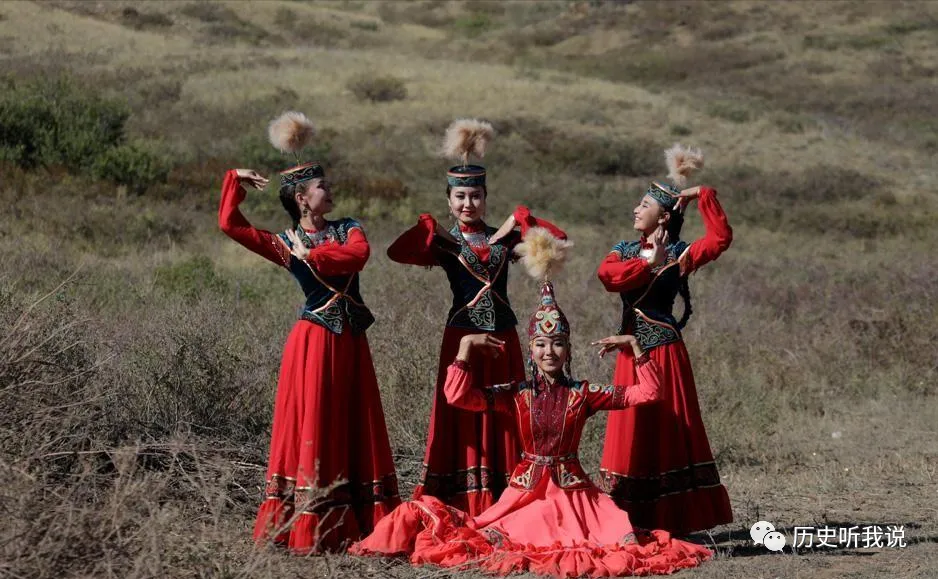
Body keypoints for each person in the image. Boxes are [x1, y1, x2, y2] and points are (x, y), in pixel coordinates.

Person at [351, 228, 711, 578]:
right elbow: (457, 396)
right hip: (525, 497)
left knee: (612, 543)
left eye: (557, 344)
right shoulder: (516, 394)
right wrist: (464, 350)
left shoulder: (583, 393)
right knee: (493, 537)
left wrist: (635, 347)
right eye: (541, 344)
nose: (549, 352)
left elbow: (649, 392)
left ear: (568, 349)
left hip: (577, 497)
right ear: (530, 350)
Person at [219, 111, 399, 553]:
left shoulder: (347, 227)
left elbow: (358, 256)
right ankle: (310, 523)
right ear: (302, 198)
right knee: (316, 420)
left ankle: (360, 517)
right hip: (314, 341)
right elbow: (231, 225)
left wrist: (312, 256)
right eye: (322, 187)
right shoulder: (283, 243)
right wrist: (233, 179)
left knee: (352, 419)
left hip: (351, 341)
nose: (330, 191)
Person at [387, 118, 567, 516]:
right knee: (460, 409)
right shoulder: (445, 243)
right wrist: (428, 228)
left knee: (507, 410)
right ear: (449, 199)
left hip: (503, 338)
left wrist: (523, 221)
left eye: (475, 196)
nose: (468, 204)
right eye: (460, 197)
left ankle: (508, 492)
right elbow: (397, 252)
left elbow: (558, 238)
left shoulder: (504, 238)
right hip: (462, 339)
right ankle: (463, 496)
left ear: (486, 198)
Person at [597, 143, 733, 535]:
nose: (635, 210)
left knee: (669, 429)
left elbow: (720, 238)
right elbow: (607, 277)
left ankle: (675, 519)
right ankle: (632, 517)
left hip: (665, 353)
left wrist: (701, 194)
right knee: (632, 428)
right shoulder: (624, 250)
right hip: (630, 353)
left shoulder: (681, 254)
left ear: (664, 215)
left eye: (644, 205)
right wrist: (646, 263)